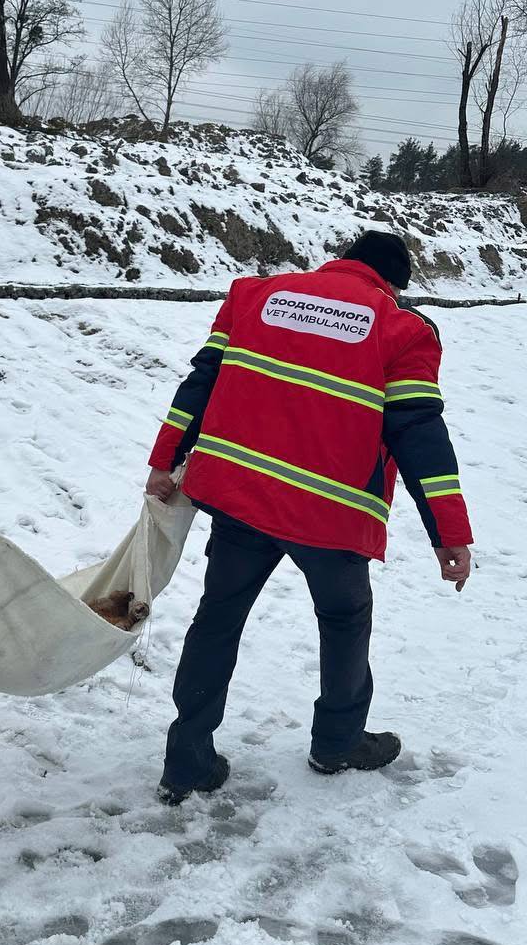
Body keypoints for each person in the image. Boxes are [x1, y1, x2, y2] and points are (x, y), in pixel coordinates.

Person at [146, 230, 473, 806]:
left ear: (341, 260)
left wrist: (164, 458)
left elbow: (200, 381)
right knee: (345, 619)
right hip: (332, 512)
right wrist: (449, 533)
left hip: (241, 495)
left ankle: (187, 758)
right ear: (393, 283)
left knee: (218, 616)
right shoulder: (402, 329)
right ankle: (339, 740)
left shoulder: (254, 297)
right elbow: (419, 431)